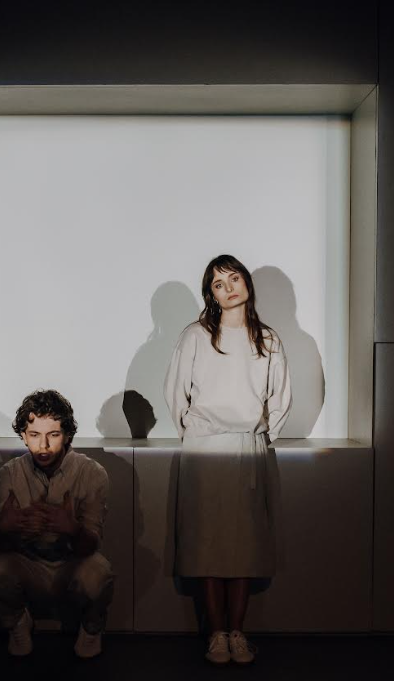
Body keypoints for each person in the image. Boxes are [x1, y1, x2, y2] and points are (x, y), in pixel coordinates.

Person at [163, 254, 292, 666]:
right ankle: (216, 634)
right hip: (205, 447)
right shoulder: (196, 336)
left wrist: (260, 436)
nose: (229, 288)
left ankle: (238, 632)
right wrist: (196, 434)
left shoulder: (268, 339)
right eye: (219, 284)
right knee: (206, 543)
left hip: (247, 448)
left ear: (246, 282)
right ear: (211, 295)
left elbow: (280, 398)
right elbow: (175, 392)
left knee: (244, 545)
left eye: (234, 278)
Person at [0, 389, 113, 658]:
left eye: (53, 435)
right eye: (34, 435)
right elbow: (1, 544)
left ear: (67, 435)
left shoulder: (92, 473)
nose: (43, 445)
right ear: (23, 436)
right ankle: (18, 622)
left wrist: (72, 529)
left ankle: (91, 627)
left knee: (98, 573)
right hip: (27, 562)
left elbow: (91, 545)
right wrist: (3, 529)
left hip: (71, 562)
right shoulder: (9, 473)